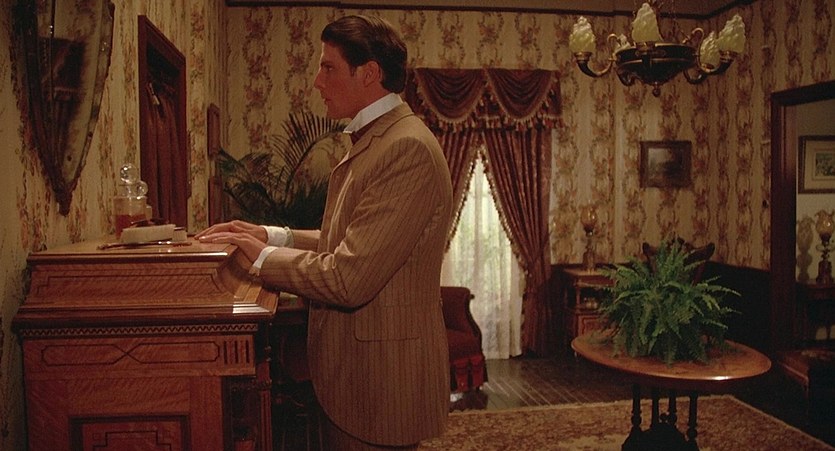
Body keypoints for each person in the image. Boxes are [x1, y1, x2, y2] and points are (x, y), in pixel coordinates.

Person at [196, 14, 453, 450]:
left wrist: (261, 259)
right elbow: (355, 240)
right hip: (360, 378)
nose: (317, 81)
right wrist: (272, 236)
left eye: (328, 67)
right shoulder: (381, 139)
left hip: (380, 386)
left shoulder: (405, 147)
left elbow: (349, 276)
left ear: (369, 73)